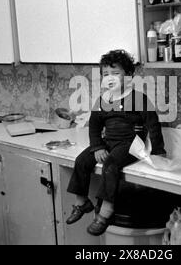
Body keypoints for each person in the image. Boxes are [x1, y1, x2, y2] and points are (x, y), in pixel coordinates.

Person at [66, 50, 166, 236]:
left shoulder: (139, 98)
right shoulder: (102, 100)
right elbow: (94, 127)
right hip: (108, 142)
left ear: (128, 75)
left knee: (110, 165)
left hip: (131, 144)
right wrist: (98, 146)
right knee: (81, 160)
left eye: (116, 73)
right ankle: (82, 202)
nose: (110, 78)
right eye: (106, 74)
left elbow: (153, 125)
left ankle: (106, 212)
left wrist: (159, 152)